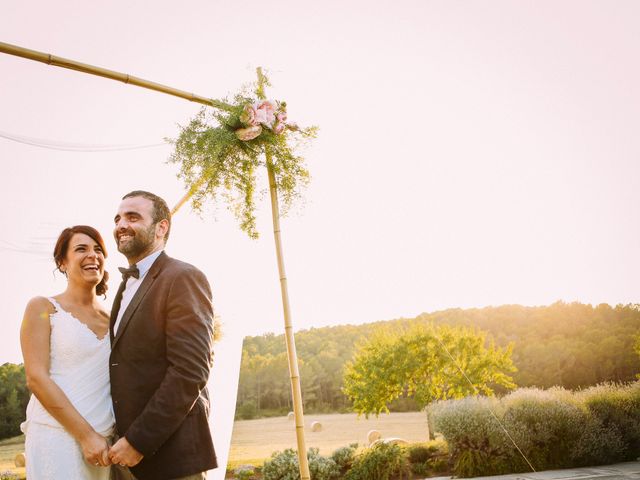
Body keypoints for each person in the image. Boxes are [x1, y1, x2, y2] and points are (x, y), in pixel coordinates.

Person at [108, 190, 217, 480]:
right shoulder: (124, 288)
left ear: (161, 227)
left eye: (133, 217)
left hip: (171, 456)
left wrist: (138, 441)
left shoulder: (182, 277)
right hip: (124, 459)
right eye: (117, 218)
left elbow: (190, 371)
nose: (121, 224)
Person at [20, 225, 115, 479]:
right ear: (62, 262)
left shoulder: (115, 319)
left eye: (98, 249)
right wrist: (86, 436)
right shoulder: (42, 307)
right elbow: (36, 378)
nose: (93, 255)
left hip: (104, 447)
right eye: (81, 249)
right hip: (56, 437)